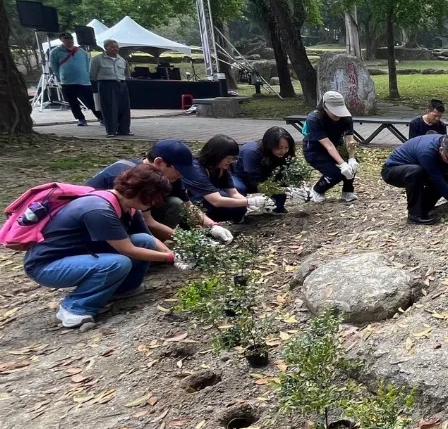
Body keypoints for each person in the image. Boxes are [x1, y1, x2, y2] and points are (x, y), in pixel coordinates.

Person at [24, 164, 179, 328]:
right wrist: (170, 258)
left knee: (144, 241)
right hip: (46, 266)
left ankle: (123, 289)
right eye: (155, 197)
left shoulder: (128, 207)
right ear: (143, 193)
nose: (155, 203)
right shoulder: (99, 210)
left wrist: (170, 253)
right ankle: (74, 308)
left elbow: (149, 238)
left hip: (80, 254)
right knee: (117, 263)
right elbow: (128, 250)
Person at [86, 139, 232, 243]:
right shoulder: (134, 177)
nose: (181, 175)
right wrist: (191, 241)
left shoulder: (168, 175)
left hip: (132, 215)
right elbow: (147, 221)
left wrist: (213, 226)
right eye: (179, 171)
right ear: (159, 162)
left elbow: (188, 206)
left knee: (176, 203)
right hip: (99, 225)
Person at [381, 134, 448, 225]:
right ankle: (414, 215)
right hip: (393, 170)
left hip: (419, 170)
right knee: (416, 172)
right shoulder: (426, 152)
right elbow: (437, 180)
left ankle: (424, 208)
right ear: (441, 150)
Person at [183, 135, 269, 223]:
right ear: (216, 155)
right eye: (228, 158)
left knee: (238, 205)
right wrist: (249, 202)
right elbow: (216, 201)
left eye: (233, 158)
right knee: (227, 201)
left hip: (211, 198)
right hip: (195, 202)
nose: (231, 161)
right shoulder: (197, 169)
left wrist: (248, 203)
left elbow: (233, 193)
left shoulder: (221, 168)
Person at [303, 90, 358, 203]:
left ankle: (347, 191)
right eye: (334, 111)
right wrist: (342, 164)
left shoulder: (346, 117)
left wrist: (351, 157)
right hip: (315, 150)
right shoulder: (314, 118)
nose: (337, 115)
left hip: (337, 145)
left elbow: (350, 140)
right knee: (334, 174)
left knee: (352, 166)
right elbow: (328, 145)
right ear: (325, 107)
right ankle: (317, 190)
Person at [233, 126, 296, 213]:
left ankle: (277, 207)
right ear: (269, 145)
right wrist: (282, 190)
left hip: (265, 177)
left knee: (282, 184)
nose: (283, 151)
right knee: (239, 188)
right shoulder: (251, 152)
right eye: (279, 148)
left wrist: (294, 186)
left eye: (286, 148)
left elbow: (284, 174)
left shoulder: (284, 154)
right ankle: (237, 212)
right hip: (243, 178)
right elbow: (254, 180)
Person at [49, 31, 99, 126]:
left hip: (84, 81)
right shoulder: (55, 52)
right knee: (72, 101)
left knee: (91, 101)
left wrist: (87, 75)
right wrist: (60, 77)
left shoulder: (82, 52)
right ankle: (80, 118)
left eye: (70, 38)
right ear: (61, 40)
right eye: (66, 39)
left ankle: (101, 117)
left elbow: (87, 65)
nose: (69, 41)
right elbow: (54, 66)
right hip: (67, 81)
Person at [89, 38, 132, 137]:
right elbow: (92, 74)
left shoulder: (121, 60)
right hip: (106, 84)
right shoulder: (97, 59)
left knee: (124, 108)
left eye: (117, 47)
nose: (115, 49)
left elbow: (126, 74)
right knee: (109, 108)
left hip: (121, 84)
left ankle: (124, 129)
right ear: (106, 47)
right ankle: (111, 131)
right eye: (112, 47)